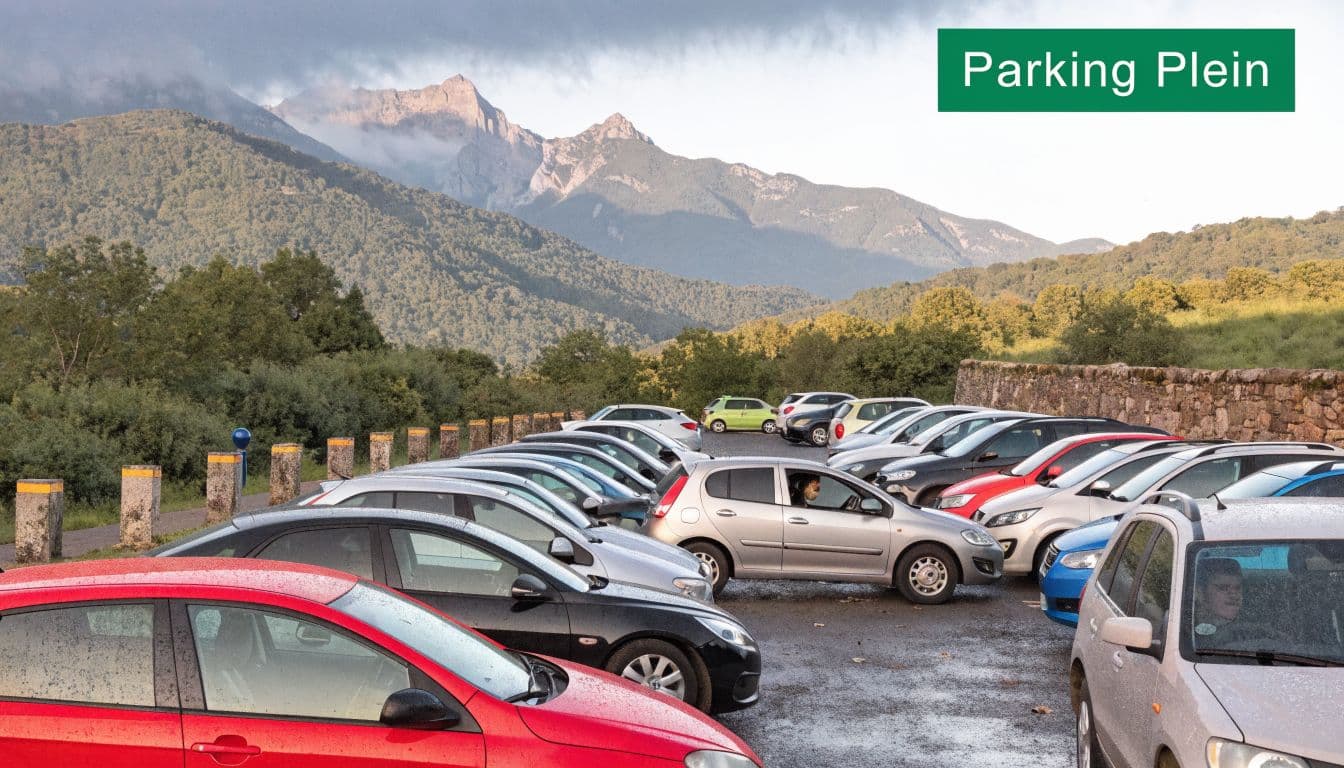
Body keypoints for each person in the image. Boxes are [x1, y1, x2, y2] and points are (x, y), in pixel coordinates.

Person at [1192, 557, 1244, 643]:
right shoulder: (1182, 633)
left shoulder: (1252, 631)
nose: (1234, 595)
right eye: (1223, 588)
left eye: (1238, 588)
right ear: (1199, 593)